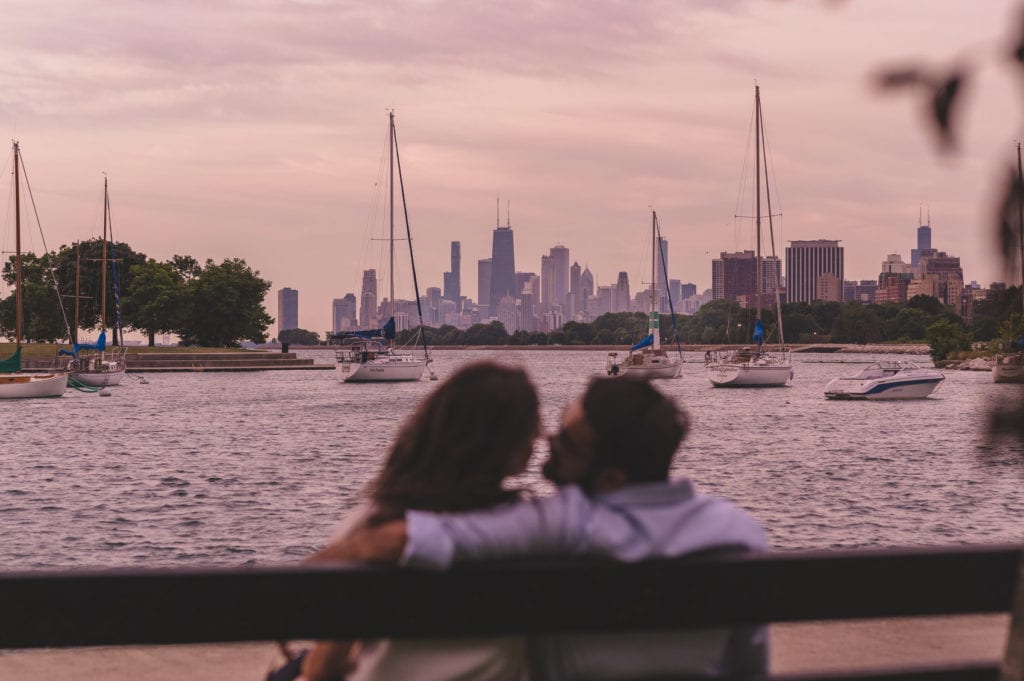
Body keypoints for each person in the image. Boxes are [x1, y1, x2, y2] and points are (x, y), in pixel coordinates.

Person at [312, 376, 769, 680]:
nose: (547, 440)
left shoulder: (566, 523)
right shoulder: (740, 532)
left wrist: (325, 561)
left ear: (611, 478)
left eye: (566, 440)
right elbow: (749, 662)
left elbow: (424, 539)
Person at [285, 361, 541, 681]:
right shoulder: (534, 532)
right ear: (515, 449)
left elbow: (322, 668)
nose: (540, 434)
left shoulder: (376, 526)